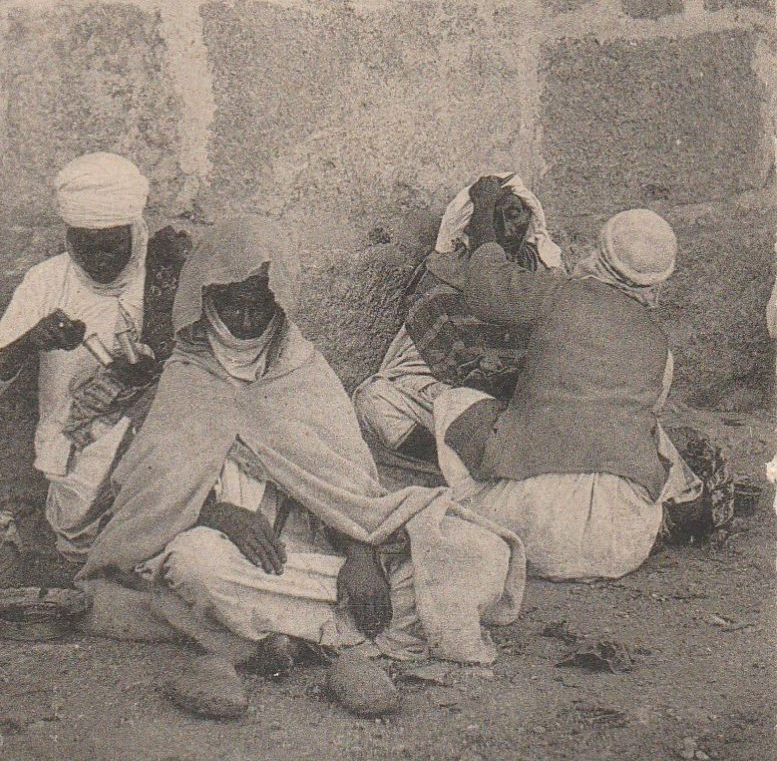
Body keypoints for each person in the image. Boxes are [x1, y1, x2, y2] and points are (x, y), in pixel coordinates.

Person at [80, 218, 524, 721]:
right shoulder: (186, 378)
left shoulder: (304, 373)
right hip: (244, 562)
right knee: (192, 564)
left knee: (476, 552)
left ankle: (283, 632)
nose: (247, 321)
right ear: (205, 301)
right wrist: (218, 515)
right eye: (232, 305)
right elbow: (153, 498)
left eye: (260, 306)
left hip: (320, 560)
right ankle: (333, 634)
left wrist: (360, 555)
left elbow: (350, 486)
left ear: (280, 305)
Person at [432, 181, 700, 581]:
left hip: (526, 528)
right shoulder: (659, 345)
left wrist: (485, 220)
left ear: (601, 251)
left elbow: (487, 291)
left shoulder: (558, 294)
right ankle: (684, 504)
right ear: (660, 279)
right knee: (644, 428)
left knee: (452, 401)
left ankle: (472, 509)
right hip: (622, 542)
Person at [0, 152, 162, 560]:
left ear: (134, 232)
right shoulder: (48, 280)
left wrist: (148, 372)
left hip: (155, 445)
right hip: (76, 457)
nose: (98, 262)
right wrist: (28, 342)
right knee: (81, 519)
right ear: (68, 238)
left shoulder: (164, 276)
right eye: (84, 249)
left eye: (111, 248)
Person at [353, 173, 563, 466]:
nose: (505, 229)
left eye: (514, 215)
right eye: (491, 219)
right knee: (374, 399)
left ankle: (479, 464)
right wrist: (475, 377)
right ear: (473, 228)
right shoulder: (444, 278)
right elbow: (428, 366)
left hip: (520, 404)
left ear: (531, 218)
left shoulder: (545, 277)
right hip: (465, 402)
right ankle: (452, 468)